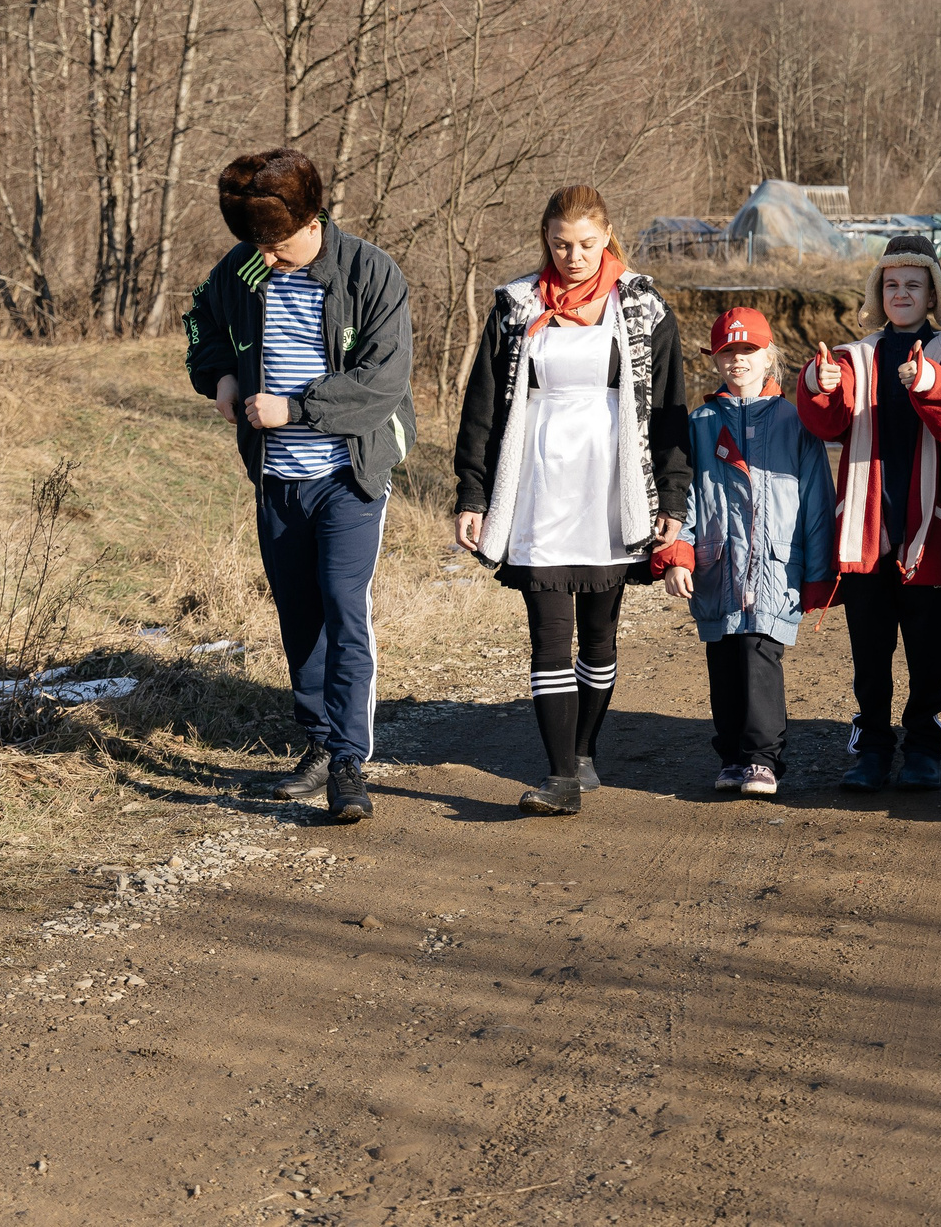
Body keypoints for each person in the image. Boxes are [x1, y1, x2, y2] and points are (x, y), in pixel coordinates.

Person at [184, 148, 417, 825]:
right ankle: (316, 743)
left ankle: (348, 762)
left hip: (349, 473)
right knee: (299, 614)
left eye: (279, 244)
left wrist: (296, 408)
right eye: (260, 246)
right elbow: (201, 320)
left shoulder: (370, 273)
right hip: (276, 479)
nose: (270, 257)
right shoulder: (246, 266)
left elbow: (384, 382)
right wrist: (221, 376)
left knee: (344, 608)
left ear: (313, 220)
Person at [451, 185, 689, 817]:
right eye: (561, 244)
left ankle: (583, 751)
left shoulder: (642, 305)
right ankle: (559, 776)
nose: (574, 256)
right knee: (549, 638)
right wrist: (470, 491)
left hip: (612, 488)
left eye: (586, 244)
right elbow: (482, 409)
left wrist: (672, 494)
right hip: (537, 485)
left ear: (607, 236)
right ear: (545, 240)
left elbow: (669, 410)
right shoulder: (515, 305)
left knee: (600, 639)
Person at [797, 234, 941, 793]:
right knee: (870, 656)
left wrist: (928, 383)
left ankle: (925, 743)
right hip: (867, 531)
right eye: (892, 284)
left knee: (929, 654)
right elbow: (825, 422)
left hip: (927, 531)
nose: (901, 294)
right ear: (880, 292)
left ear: (932, 294)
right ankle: (873, 744)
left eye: (913, 285)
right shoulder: (854, 356)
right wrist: (819, 384)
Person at [661, 307, 836, 798]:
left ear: (769, 358)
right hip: (717, 566)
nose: (737, 360)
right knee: (723, 659)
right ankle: (733, 757)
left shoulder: (795, 421)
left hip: (777, 567)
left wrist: (819, 572)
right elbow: (683, 495)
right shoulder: (699, 423)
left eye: (748, 351)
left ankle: (763, 759)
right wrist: (679, 553)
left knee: (761, 655)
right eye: (727, 352)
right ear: (714, 360)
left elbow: (817, 499)